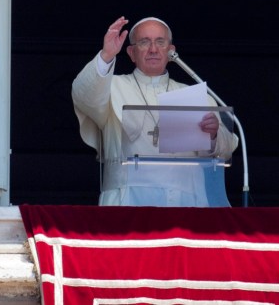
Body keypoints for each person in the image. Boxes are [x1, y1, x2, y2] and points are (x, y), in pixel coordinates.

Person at [72, 16, 239, 207]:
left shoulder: (196, 96)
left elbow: (226, 150)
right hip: (127, 200)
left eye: (160, 42)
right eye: (144, 42)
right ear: (131, 52)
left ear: (171, 51)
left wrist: (214, 135)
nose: (153, 49)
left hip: (186, 203)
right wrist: (106, 55)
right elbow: (84, 95)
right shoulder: (110, 87)